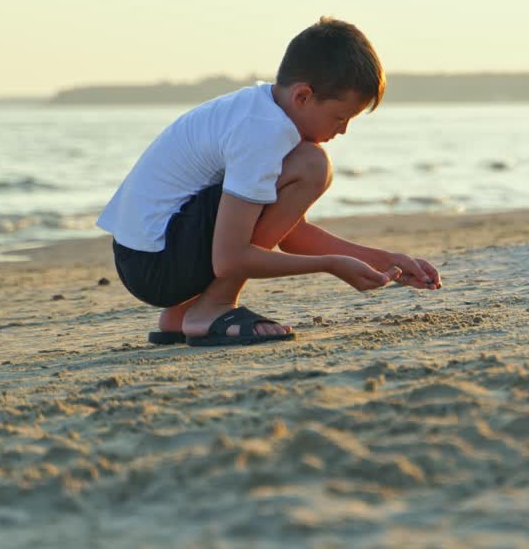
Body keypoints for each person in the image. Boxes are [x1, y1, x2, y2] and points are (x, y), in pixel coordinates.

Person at [97, 17, 441, 347]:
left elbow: (287, 234)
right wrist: (331, 264)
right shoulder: (263, 131)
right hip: (157, 262)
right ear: (303, 97)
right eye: (339, 117)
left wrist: (383, 260)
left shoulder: (262, 111)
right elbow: (230, 259)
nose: (342, 130)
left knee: (307, 162)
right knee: (313, 164)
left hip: (144, 258)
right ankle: (213, 306)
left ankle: (182, 314)